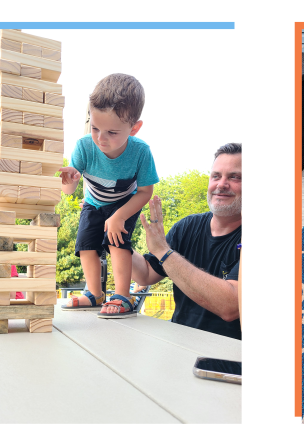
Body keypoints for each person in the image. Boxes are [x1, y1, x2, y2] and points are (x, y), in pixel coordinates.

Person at [58, 73, 158, 318]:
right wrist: (68, 182)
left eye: (112, 132)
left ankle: (123, 295)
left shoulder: (141, 152)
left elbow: (145, 192)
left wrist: (119, 217)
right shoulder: (84, 146)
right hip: (93, 202)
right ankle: (94, 293)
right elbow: (69, 191)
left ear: (134, 128)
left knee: (116, 240)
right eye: (95, 128)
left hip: (125, 202)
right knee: (85, 244)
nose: (100, 138)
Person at [132, 143, 242, 340]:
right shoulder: (187, 227)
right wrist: (117, 238)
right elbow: (146, 275)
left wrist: (164, 252)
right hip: (178, 345)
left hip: (229, 357)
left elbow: (231, 306)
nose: (221, 184)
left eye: (235, 177)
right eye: (216, 176)